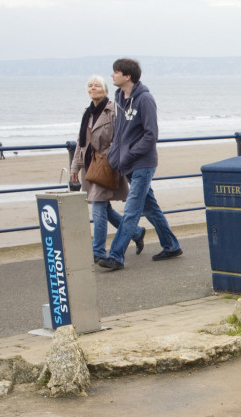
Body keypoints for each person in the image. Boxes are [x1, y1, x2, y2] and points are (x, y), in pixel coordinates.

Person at [102, 58, 182, 271]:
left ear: (127, 76)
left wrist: (128, 155)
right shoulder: (119, 98)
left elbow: (151, 135)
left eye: (115, 72)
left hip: (143, 164)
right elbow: (120, 133)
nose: (112, 76)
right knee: (151, 208)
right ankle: (172, 245)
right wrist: (115, 156)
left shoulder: (144, 99)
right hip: (127, 163)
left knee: (132, 209)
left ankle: (117, 256)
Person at [69, 75, 145, 263]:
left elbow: (120, 138)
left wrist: (114, 159)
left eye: (97, 85)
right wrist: (75, 166)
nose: (93, 88)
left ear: (105, 90)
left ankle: (98, 252)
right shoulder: (87, 112)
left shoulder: (113, 111)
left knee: (98, 208)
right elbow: (81, 141)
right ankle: (135, 232)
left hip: (106, 166)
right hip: (90, 167)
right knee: (103, 208)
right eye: (90, 85)